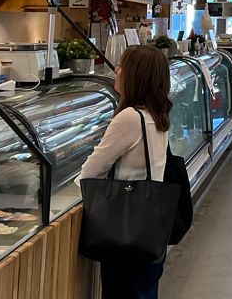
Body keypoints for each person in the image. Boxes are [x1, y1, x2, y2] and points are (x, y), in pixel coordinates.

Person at [78, 46, 173, 299]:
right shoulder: (158, 113)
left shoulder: (130, 118)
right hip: (150, 229)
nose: (117, 70)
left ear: (136, 76)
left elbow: (90, 172)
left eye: (123, 66)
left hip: (125, 230)